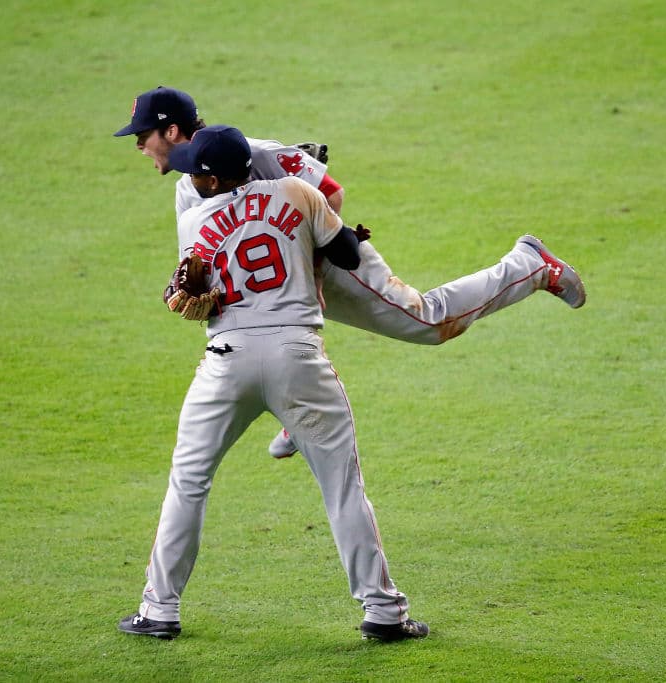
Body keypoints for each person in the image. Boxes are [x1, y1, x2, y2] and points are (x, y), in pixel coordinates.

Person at [114, 86, 586, 459]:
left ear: (171, 131)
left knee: (427, 322)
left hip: (331, 255)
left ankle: (530, 266)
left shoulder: (251, 152)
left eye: (142, 136)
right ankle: (296, 409)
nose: (138, 146)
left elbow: (331, 195)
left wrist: (311, 275)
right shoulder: (186, 191)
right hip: (279, 282)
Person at [117, 125, 429, 642]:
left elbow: (195, 297)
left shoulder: (195, 218)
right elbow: (348, 256)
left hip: (226, 361)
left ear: (213, 178)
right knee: (342, 488)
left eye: (197, 170)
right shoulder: (297, 192)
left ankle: (159, 610)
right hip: (298, 357)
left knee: (188, 484)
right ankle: (383, 613)